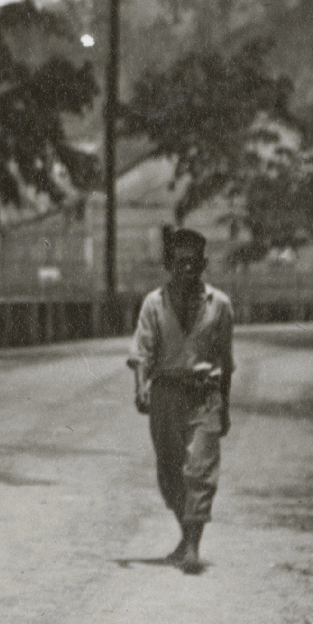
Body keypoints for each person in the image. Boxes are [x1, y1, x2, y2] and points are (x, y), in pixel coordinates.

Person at [126, 226, 235, 573]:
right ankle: (185, 533)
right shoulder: (153, 304)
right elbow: (141, 352)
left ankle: (192, 547)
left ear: (204, 264)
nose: (187, 269)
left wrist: (226, 408)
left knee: (200, 470)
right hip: (165, 396)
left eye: (194, 263)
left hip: (205, 396)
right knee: (170, 474)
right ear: (168, 264)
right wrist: (140, 387)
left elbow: (226, 361)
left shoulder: (220, 306)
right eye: (180, 262)